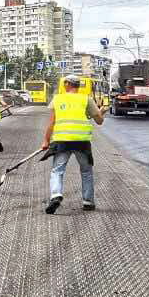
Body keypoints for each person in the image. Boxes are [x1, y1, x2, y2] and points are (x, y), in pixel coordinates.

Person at [42, 75, 105, 214]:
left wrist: (46, 141)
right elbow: (99, 121)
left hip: (62, 141)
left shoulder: (58, 99)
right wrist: (101, 113)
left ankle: (56, 195)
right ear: (78, 85)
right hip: (81, 142)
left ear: (66, 84)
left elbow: (51, 123)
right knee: (86, 171)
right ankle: (88, 201)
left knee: (57, 171)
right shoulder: (86, 99)